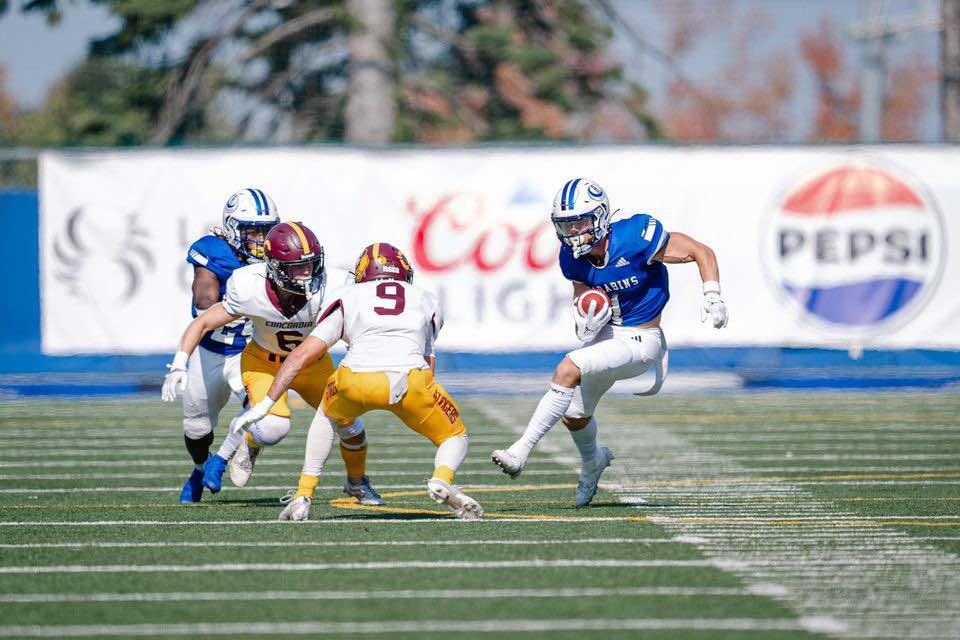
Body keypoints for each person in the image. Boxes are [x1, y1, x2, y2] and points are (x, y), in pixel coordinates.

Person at [491, 178, 728, 507]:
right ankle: (593, 462)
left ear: (601, 217)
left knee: (568, 368)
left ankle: (520, 451)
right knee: (574, 414)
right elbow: (582, 298)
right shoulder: (571, 258)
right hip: (608, 336)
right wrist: (585, 317)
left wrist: (712, 295)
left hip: (641, 340)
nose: (573, 233)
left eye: (579, 223)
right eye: (566, 225)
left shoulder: (634, 237)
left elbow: (701, 251)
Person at [229, 242, 483, 521]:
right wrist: (421, 401)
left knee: (326, 415)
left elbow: (302, 354)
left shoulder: (347, 294)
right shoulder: (426, 298)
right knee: (455, 436)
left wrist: (266, 403)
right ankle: (441, 478)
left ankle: (303, 494)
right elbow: (427, 358)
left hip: (355, 380)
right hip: (411, 379)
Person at [162, 221, 383, 505]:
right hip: (264, 362)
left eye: (311, 264)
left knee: (351, 426)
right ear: (276, 268)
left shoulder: (333, 284)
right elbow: (203, 321)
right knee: (272, 428)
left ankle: (357, 482)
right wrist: (180, 362)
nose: (308, 273)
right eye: (298, 267)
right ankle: (250, 444)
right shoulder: (249, 285)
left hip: (313, 364)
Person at [162, 188, 279, 504]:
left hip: (250, 351)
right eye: (253, 231)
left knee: (262, 411)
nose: (261, 239)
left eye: (266, 230)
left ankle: (224, 458)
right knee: (196, 429)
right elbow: (204, 302)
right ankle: (200, 468)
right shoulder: (214, 252)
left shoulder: (277, 256)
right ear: (233, 227)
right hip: (210, 351)